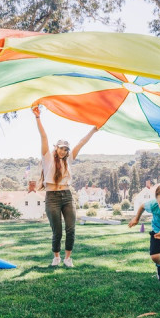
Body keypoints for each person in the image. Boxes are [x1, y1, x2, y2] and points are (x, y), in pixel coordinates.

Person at [33, 105, 98, 267]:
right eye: (61, 148)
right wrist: (38, 117)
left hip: (67, 196)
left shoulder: (68, 160)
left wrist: (93, 130)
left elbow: (82, 142)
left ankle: (68, 258)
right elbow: (43, 136)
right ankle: (56, 257)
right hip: (52, 197)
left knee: (71, 229)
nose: (63, 152)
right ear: (56, 147)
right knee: (57, 231)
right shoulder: (47, 157)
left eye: (66, 150)